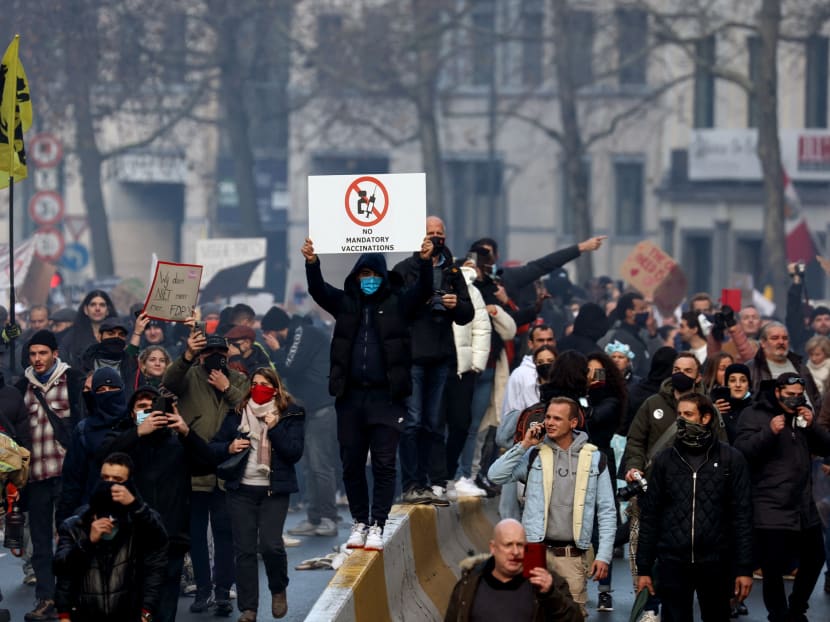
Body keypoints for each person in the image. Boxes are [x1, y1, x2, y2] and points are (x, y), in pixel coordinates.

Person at [303, 237, 432, 551]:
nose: (369, 280)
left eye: (374, 275)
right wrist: (312, 263)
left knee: (385, 464)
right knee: (351, 463)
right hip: (350, 399)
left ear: (383, 277)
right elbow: (318, 290)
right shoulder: (345, 304)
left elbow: (423, 292)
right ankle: (359, 523)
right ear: (355, 277)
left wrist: (427, 261)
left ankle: (378, 523)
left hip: (387, 400)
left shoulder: (398, 303)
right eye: (363, 275)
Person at [488, 397, 616, 615]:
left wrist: (603, 555)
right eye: (548, 417)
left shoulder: (595, 459)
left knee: (572, 615)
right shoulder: (534, 455)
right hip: (535, 553)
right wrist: (524, 444)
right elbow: (495, 475)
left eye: (557, 418)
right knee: (533, 614)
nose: (550, 422)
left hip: (573, 556)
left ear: (573, 423)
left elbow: (607, 511)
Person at [636, 394, 754, 621]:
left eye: (688, 415)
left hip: (716, 562)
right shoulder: (665, 460)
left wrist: (744, 568)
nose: (681, 420)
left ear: (706, 418)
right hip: (673, 562)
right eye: (679, 415)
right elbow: (651, 516)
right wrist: (644, 568)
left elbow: (743, 516)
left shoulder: (731, 459)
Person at [103, 384, 215, 622]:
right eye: (141, 407)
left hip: (169, 537)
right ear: (132, 413)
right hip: (130, 536)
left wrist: (185, 431)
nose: (148, 411)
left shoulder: (178, 445)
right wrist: (138, 432)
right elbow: (101, 459)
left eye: (153, 407)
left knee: (165, 607)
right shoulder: (124, 441)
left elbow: (207, 464)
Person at [163, 330, 249, 615]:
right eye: (208, 354)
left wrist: (227, 387)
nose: (214, 359)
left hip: (228, 466)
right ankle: (203, 590)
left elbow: (250, 411)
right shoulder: (190, 376)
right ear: (200, 356)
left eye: (220, 354)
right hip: (195, 466)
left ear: (228, 355)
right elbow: (169, 381)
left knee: (226, 533)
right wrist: (186, 356)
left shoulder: (237, 380)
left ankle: (223, 591)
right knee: (196, 535)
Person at [210, 367, 304, 621]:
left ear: (275, 388)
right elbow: (215, 446)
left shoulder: (291, 413)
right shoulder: (237, 414)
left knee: (271, 546)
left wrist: (274, 428)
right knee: (245, 551)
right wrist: (229, 446)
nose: (258, 387)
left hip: (275, 491)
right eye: (254, 383)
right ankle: (248, 608)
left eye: (264, 383)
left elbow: (294, 452)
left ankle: (278, 588)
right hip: (241, 490)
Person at [735, 372, 830, 621]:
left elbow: (825, 447)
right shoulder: (754, 414)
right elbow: (742, 451)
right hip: (769, 504)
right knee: (773, 567)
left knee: (816, 556)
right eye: (790, 395)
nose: (795, 400)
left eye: (799, 395)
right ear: (777, 392)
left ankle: (797, 607)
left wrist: (813, 426)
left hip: (802, 504)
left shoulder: (802, 415)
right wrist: (769, 431)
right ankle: (778, 614)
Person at [393, 216, 474, 504]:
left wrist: (456, 304)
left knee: (435, 423)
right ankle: (412, 482)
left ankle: (437, 480)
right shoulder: (404, 270)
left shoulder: (453, 271)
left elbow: (468, 314)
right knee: (412, 422)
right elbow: (401, 307)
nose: (436, 237)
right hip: (413, 355)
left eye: (440, 233)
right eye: (430, 233)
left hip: (442, 356)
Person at [16, 330, 85, 621]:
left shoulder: (75, 380)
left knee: (70, 539)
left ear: (55, 353)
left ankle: (73, 598)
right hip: (36, 477)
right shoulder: (22, 387)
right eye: (33, 354)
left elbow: (84, 422)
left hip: (68, 474)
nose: (38, 359)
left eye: (43, 353)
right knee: (41, 543)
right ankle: (46, 598)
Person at [53, 452, 168, 622]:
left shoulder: (142, 521)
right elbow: (62, 571)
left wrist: (146, 612)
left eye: (117, 480)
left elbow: (157, 557)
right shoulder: (75, 525)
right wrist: (87, 542)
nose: (109, 485)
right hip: (85, 614)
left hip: (129, 613)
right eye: (104, 478)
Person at [263, 306, 340, 539]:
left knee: (321, 466)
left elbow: (290, 367)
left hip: (321, 408)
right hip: (308, 409)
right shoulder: (300, 333)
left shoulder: (301, 333)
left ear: (274, 331)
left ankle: (328, 518)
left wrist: (276, 351)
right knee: (309, 467)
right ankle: (314, 517)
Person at [444, 518, 582, 622]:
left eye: (520, 545)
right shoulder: (469, 584)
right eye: (508, 545)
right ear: (493, 548)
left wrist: (551, 594)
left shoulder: (546, 582)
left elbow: (575, 619)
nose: (515, 552)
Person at [57, 367, 131, 525]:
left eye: (113, 388)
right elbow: (73, 479)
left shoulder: (133, 426)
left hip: (130, 512)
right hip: (91, 512)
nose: (108, 393)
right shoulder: (84, 430)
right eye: (101, 390)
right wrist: (63, 519)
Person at [745, 322, 821, 407]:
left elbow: (816, 400)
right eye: (775, 338)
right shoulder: (751, 369)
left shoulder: (801, 368)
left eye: (785, 338)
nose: (781, 342)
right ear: (763, 343)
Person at [59, 290, 118, 371]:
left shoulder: (119, 333)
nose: (97, 309)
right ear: (86, 310)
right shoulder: (73, 335)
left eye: (102, 305)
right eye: (93, 305)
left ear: (107, 310)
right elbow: (64, 360)